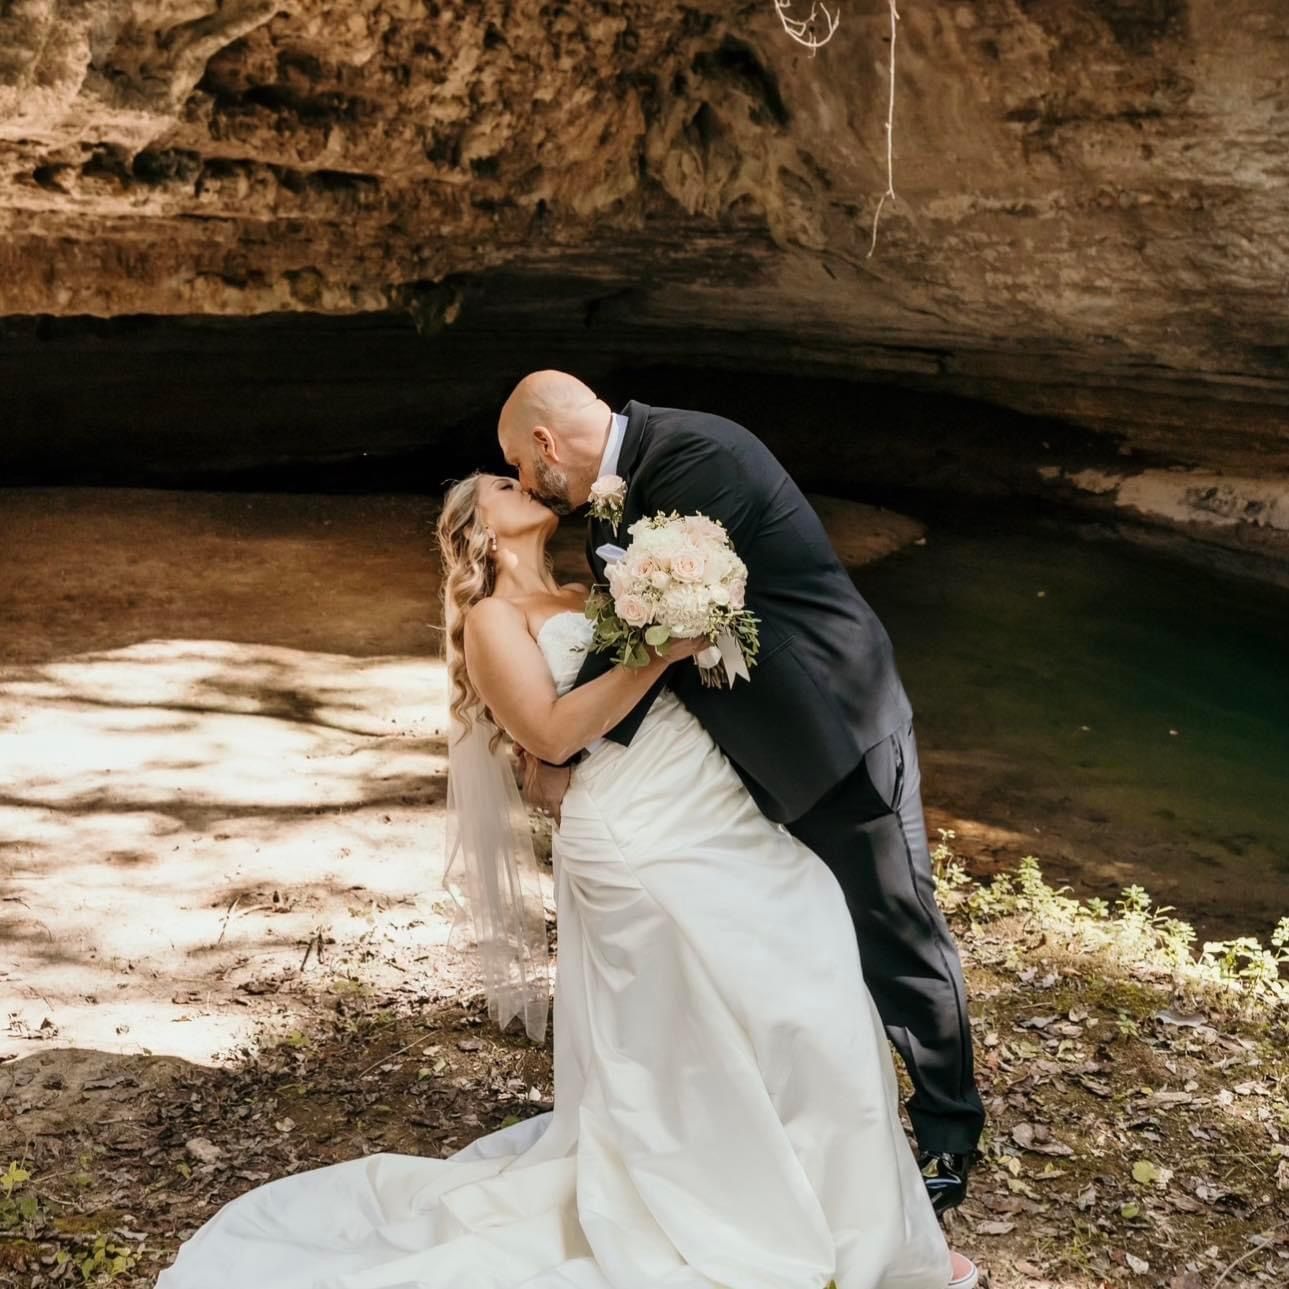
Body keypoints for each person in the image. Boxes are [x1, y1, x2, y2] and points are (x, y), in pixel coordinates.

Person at [156, 470, 977, 1289]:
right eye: (501, 484)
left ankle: (859, 1222)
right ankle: (737, 1213)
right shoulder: (491, 618)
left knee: (814, 966)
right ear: (475, 528)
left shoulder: (599, 588)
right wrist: (656, 653)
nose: (522, 483)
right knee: (701, 1025)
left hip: (715, 805)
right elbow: (548, 732)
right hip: (633, 831)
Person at [499, 372, 985, 1215]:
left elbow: (649, 633)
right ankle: (805, 1119)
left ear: (544, 443)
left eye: (517, 462)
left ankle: (948, 1131)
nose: (526, 481)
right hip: (749, 759)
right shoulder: (619, 495)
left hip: (833, 732)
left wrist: (566, 747)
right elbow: (639, 640)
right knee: (799, 939)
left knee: (895, 932)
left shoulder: (696, 454)